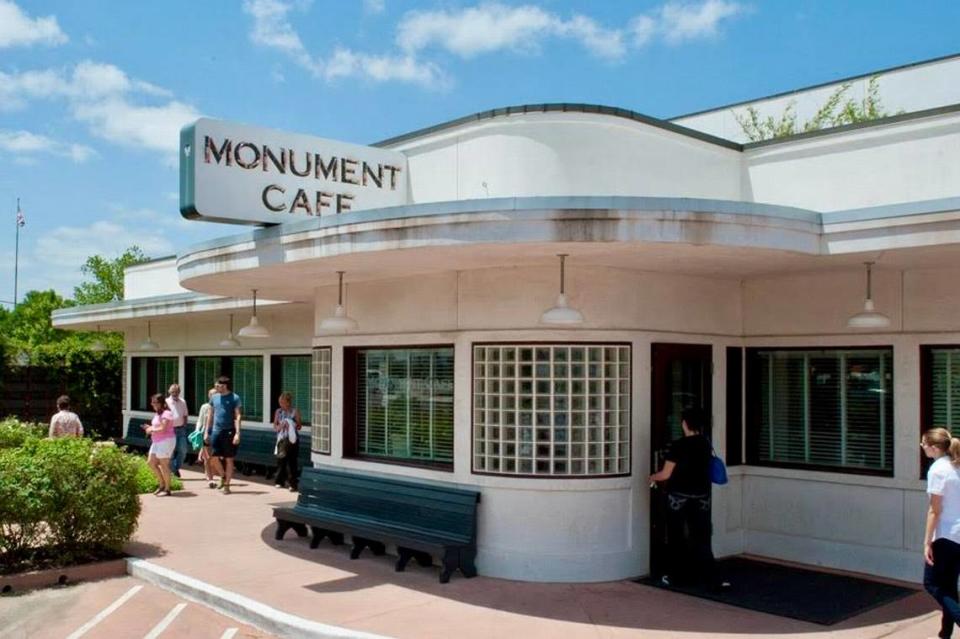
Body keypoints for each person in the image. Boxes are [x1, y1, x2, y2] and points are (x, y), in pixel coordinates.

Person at [649, 407, 727, 589]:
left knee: (677, 538)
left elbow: (666, 474)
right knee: (702, 537)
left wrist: (652, 477)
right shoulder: (705, 444)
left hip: (679, 498)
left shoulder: (679, 446)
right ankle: (711, 578)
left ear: (684, 424)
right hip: (702, 497)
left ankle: (678, 577)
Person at [922, 427, 960, 639]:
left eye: (924, 444)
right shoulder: (957, 465)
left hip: (945, 536)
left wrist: (927, 542)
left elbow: (934, 510)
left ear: (934, 447)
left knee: (932, 584)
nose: (922, 447)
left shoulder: (937, 470)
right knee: (949, 586)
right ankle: (945, 633)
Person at [207, 376, 241, 495]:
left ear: (225, 386)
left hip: (229, 431)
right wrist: (207, 432)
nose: (218, 388)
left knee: (229, 459)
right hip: (216, 431)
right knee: (213, 458)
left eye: (220, 386)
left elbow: (238, 416)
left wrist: (237, 433)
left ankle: (227, 485)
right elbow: (210, 415)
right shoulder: (214, 398)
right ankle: (223, 475)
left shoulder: (234, 397)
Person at [145, 393, 175, 496]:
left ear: (161, 403)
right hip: (156, 441)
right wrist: (149, 428)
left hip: (166, 441)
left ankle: (167, 489)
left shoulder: (167, 413)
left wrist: (151, 429)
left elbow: (163, 429)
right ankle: (162, 484)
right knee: (150, 462)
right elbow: (157, 427)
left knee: (164, 465)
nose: (152, 404)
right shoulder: (157, 414)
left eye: (155, 402)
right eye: (152, 402)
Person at [273, 391, 302, 491]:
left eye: (282, 402)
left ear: (288, 402)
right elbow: (275, 427)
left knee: (292, 462)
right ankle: (279, 481)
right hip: (282, 439)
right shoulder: (278, 412)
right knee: (281, 461)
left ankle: (292, 484)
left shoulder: (295, 411)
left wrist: (292, 423)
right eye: (280, 402)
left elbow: (299, 426)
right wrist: (281, 425)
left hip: (292, 440)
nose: (280, 404)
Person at [194, 387, 220, 489]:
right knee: (207, 457)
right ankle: (209, 478)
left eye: (215, 394)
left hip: (217, 433)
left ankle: (212, 475)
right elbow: (200, 420)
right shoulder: (204, 407)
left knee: (215, 457)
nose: (213, 396)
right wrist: (197, 430)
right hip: (206, 433)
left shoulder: (219, 406)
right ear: (209, 396)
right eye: (212, 394)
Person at [166, 384, 189, 478]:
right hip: (170, 430)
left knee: (183, 450)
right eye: (173, 392)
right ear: (169, 392)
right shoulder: (166, 402)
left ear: (179, 392)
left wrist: (185, 424)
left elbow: (185, 414)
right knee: (170, 452)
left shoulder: (182, 401)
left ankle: (175, 468)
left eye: (177, 392)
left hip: (181, 429)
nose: (175, 394)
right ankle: (174, 471)